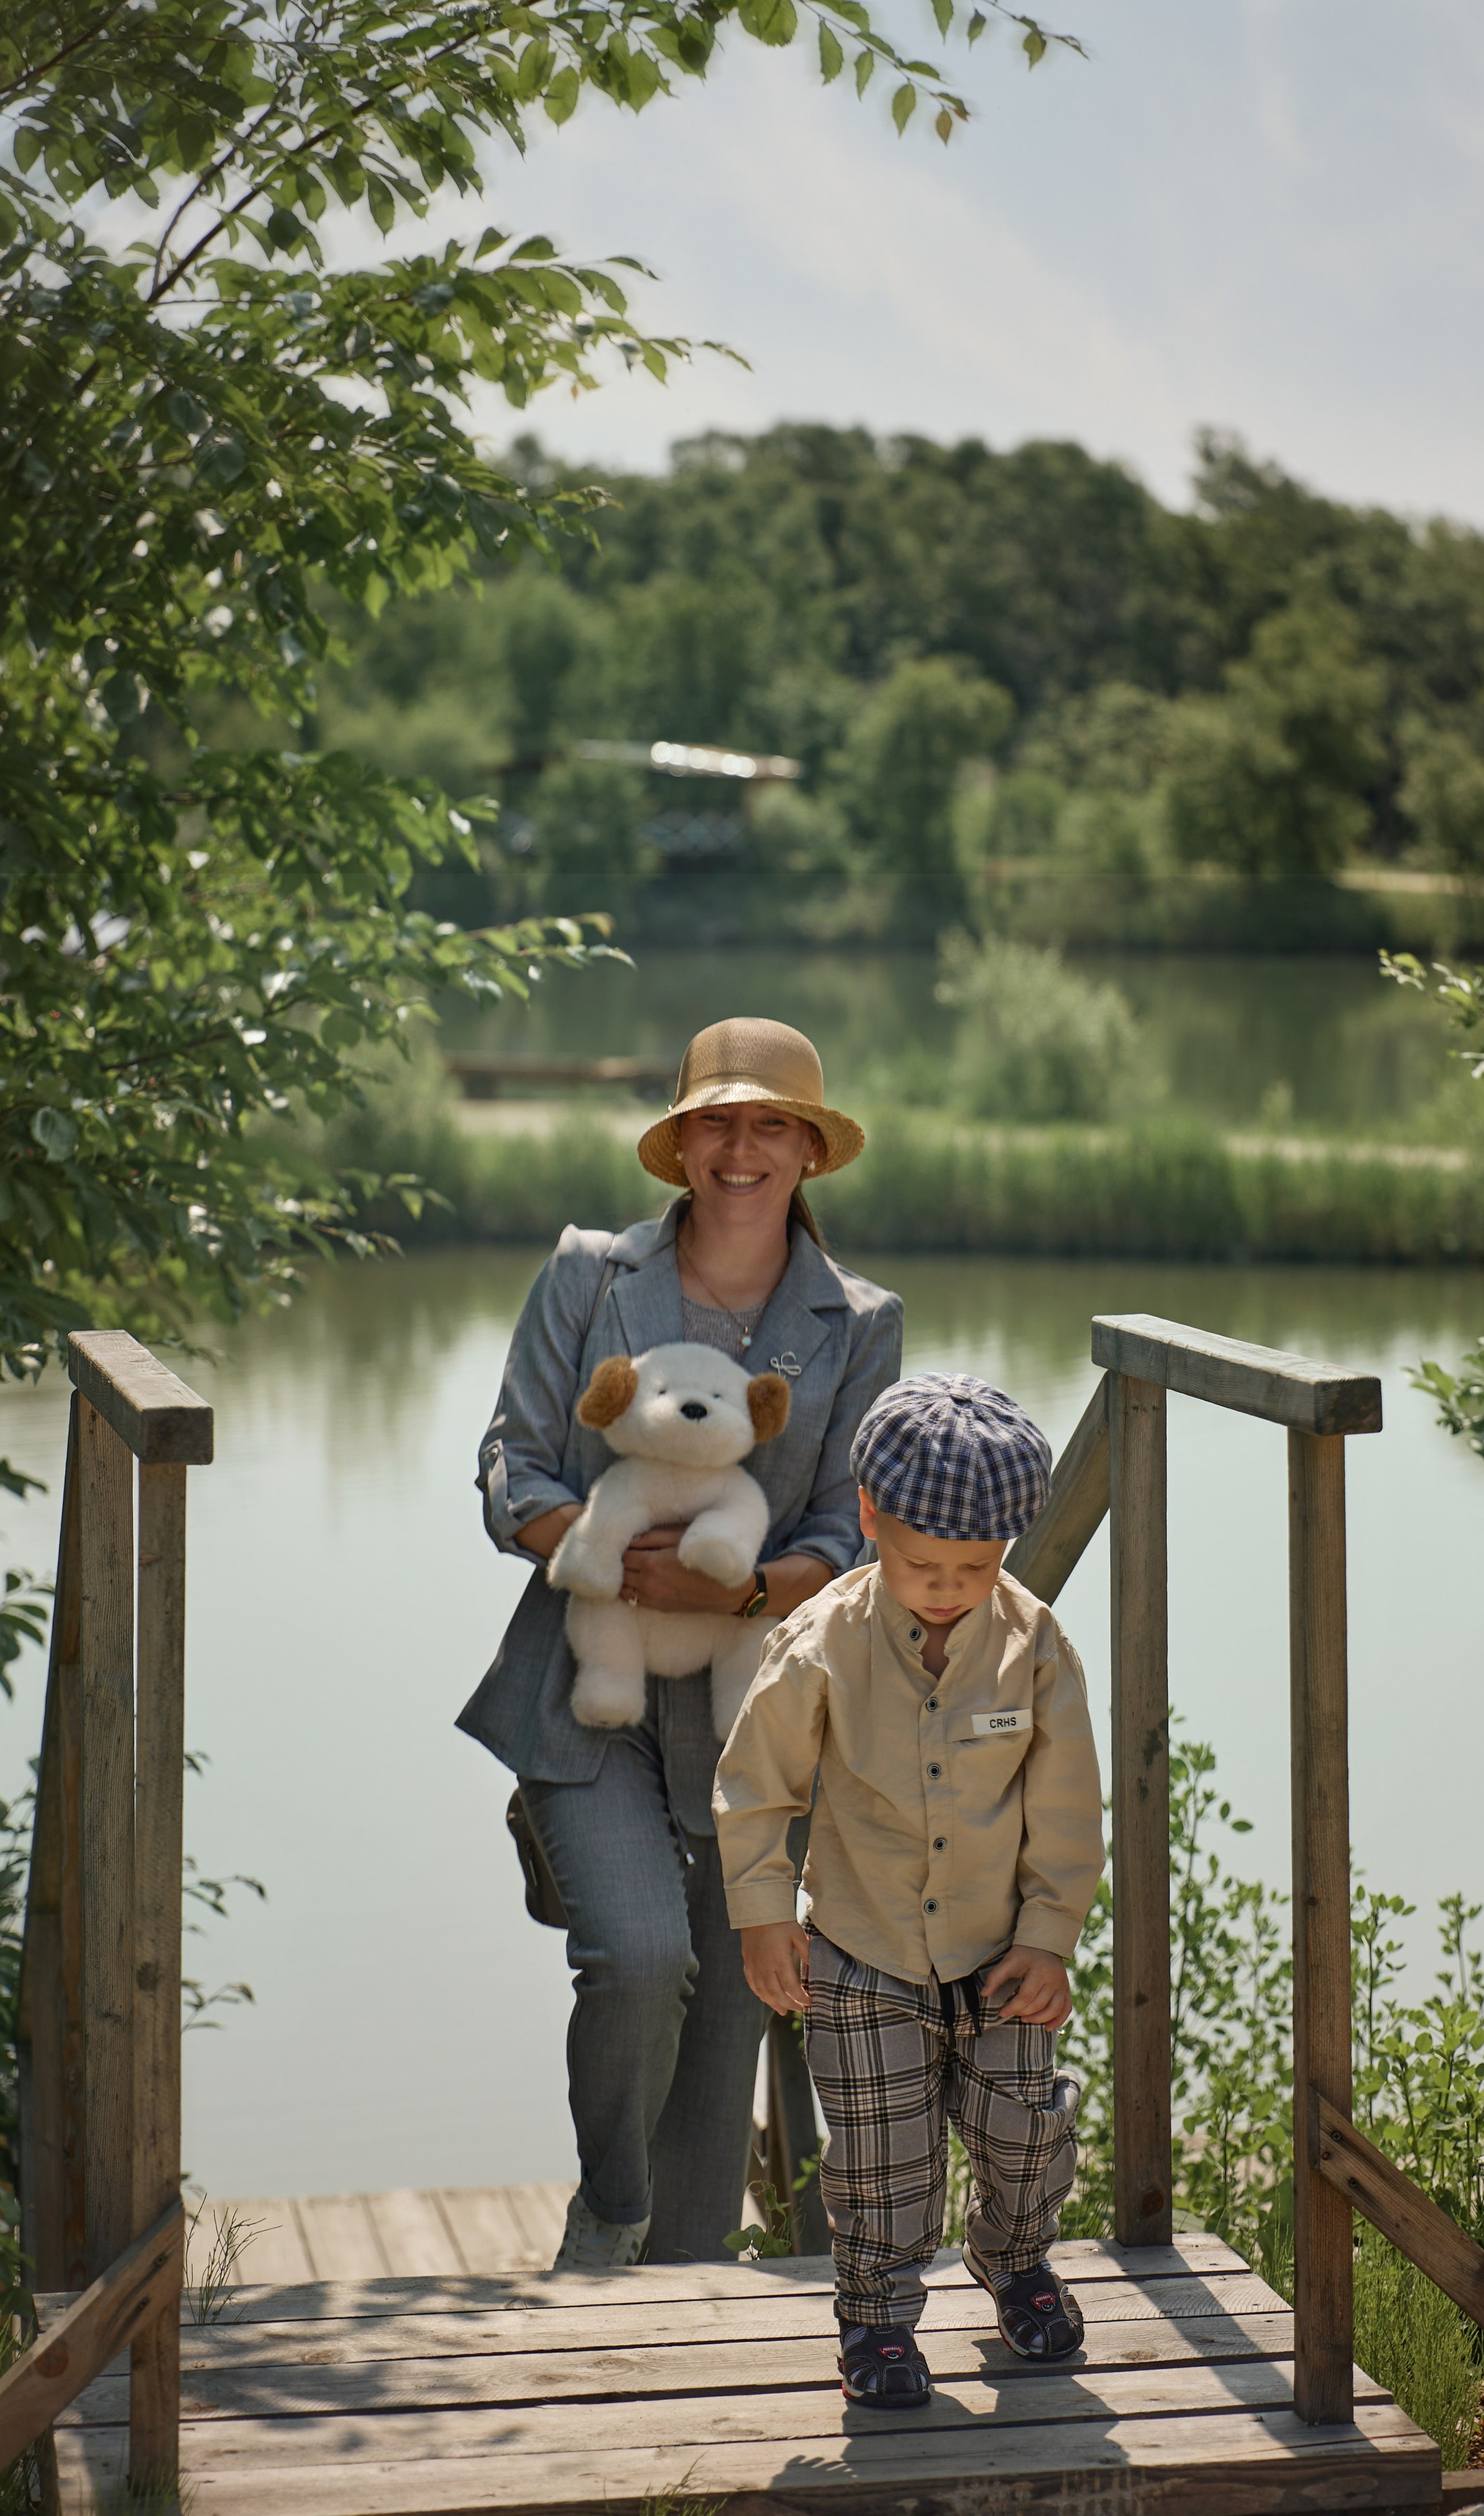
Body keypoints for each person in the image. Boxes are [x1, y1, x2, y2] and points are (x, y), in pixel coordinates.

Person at [462, 1018, 902, 2270]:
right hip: (581, 1687)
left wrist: (747, 1591)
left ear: (810, 1147)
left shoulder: (860, 1320)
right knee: (641, 1958)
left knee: (729, 2031)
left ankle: (688, 2316)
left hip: (756, 1714)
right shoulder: (590, 1273)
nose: (741, 1147)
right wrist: (605, 1549)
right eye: (716, 1119)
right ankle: (604, 2222)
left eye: (771, 1122)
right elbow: (511, 1465)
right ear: (679, 1143)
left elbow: (848, 1526)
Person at [714, 1373, 1105, 2410]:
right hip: (863, 1951)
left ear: (1008, 1546)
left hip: (1000, 1955)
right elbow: (756, 1789)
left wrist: (1051, 1936)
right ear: (869, 1517)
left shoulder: (1039, 1651)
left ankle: (1014, 2258)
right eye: (922, 1563)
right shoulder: (822, 1644)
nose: (946, 1586)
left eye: (975, 1568)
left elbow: (1067, 1810)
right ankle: (879, 2318)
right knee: (884, 2161)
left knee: (1027, 2132)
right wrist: (762, 1916)